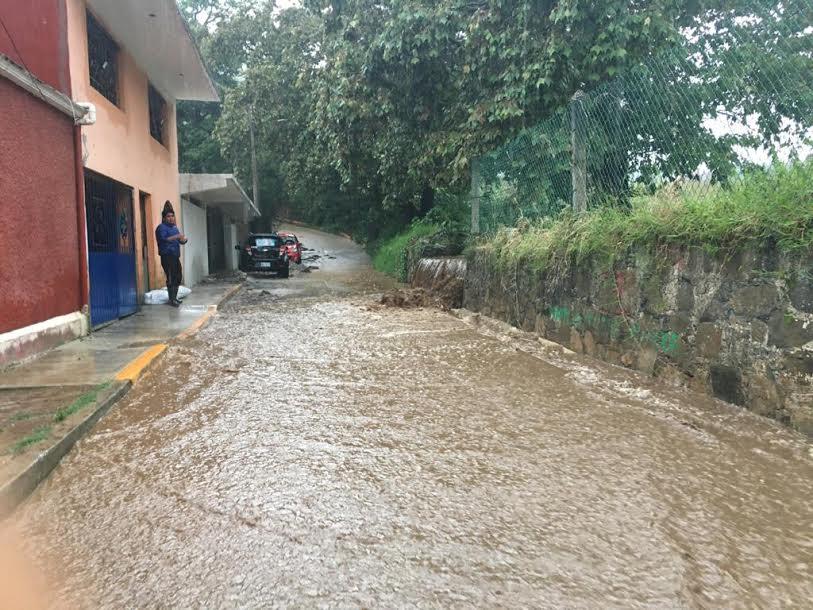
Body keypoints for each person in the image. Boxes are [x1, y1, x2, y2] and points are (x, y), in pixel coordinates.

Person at [155, 201, 188, 307]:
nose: (171, 218)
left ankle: (175, 297)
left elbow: (179, 241)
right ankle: (171, 299)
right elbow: (164, 239)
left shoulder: (174, 228)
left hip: (175, 256)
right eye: (168, 216)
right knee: (171, 277)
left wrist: (184, 240)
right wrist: (177, 236)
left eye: (172, 216)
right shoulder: (161, 228)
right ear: (164, 218)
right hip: (166, 256)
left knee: (178, 276)